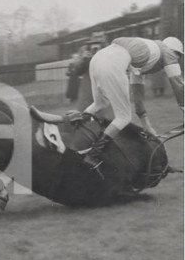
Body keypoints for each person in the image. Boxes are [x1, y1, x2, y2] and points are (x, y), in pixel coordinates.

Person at [79, 36, 185, 169]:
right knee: (123, 117)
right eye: (178, 57)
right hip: (112, 62)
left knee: (99, 104)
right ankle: (93, 154)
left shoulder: (143, 61)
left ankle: (77, 128)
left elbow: (137, 98)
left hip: (97, 59)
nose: (176, 61)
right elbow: (178, 85)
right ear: (175, 52)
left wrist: (147, 126)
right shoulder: (168, 52)